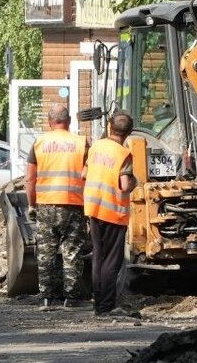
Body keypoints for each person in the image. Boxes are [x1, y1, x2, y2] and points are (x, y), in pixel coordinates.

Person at [25, 104, 89, 309]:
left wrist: (31, 205)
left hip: (46, 204)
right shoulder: (81, 143)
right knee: (72, 251)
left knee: (46, 252)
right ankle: (71, 299)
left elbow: (29, 179)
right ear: (69, 121)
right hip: (73, 204)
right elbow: (89, 174)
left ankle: (46, 297)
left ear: (49, 122)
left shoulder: (39, 143)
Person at [84, 112, 136, 316]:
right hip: (113, 211)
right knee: (112, 261)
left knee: (98, 257)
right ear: (128, 133)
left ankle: (98, 303)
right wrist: (135, 182)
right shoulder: (124, 154)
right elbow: (124, 185)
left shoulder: (96, 146)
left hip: (94, 208)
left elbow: (84, 174)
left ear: (109, 127)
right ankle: (107, 306)